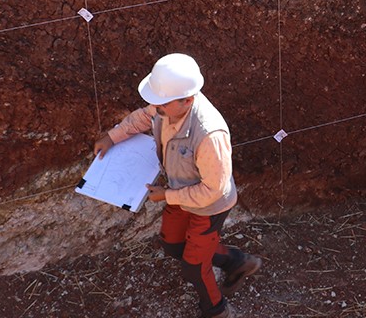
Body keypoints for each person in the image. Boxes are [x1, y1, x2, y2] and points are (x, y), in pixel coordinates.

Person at [93, 53, 261, 318]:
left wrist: (167, 196)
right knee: (173, 245)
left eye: (161, 104)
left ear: (188, 100)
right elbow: (143, 117)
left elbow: (213, 190)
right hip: (179, 193)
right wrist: (112, 137)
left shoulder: (209, 135)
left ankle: (216, 310)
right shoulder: (166, 106)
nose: (154, 108)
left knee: (194, 267)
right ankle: (237, 262)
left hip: (209, 206)